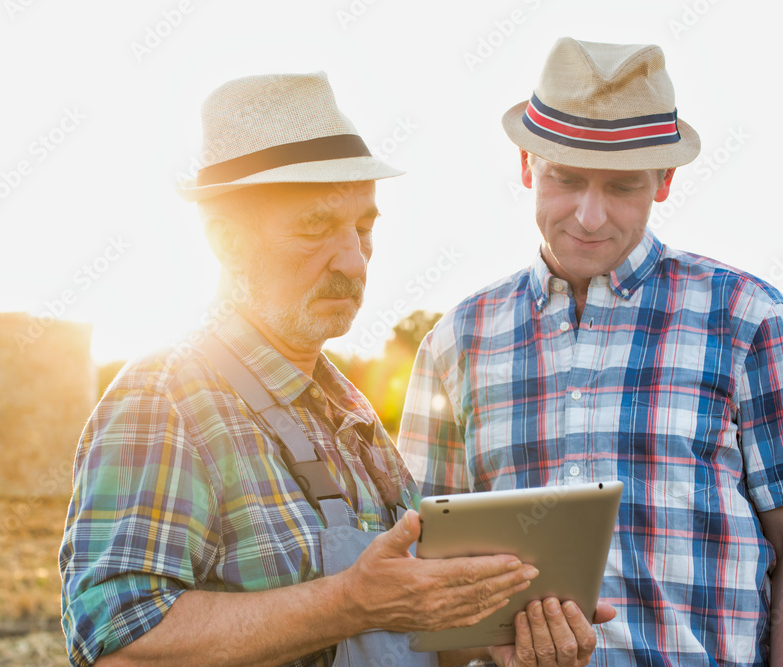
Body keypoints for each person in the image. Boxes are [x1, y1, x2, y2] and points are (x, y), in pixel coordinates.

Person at [59, 72, 611, 667]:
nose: (352, 260)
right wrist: (349, 602)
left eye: (363, 228)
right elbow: (117, 646)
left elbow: (395, 625)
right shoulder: (164, 401)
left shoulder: (350, 411)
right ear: (225, 240)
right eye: (316, 227)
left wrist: (498, 635)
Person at [398, 37, 783, 666]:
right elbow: (419, 577)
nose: (588, 215)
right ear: (527, 166)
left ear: (664, 181)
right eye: (567, 179)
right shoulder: (456, 341)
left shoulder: (750, 318)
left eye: (622, 187)